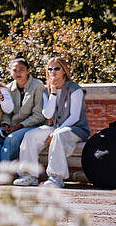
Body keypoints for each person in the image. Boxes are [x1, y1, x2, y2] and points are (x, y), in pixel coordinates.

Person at [14, 56, 89, 188]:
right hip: (55, 126)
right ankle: (28, 175)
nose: (53, 71)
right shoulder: (46, 90)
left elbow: (75, 117)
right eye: (50, 69)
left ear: (64, 71)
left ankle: (56, 177)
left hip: (76, 129)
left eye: (57, 68)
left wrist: (56, 131)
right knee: (30, 135)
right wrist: (53, 94)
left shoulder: (74, 89)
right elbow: (47, 114)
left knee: (58, 136)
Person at [0, 57, 47, 177]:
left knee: (10, 139)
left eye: (21, 69)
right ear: (10, 72)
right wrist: (5, 124)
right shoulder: (9, 88)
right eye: (15, 70)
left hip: (31, 125)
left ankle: (1, 173)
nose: (18, 73)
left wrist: (19, 126)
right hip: (13, 125)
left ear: (28, 70)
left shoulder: (38, 86)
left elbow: (38, 115)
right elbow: (7, 112)